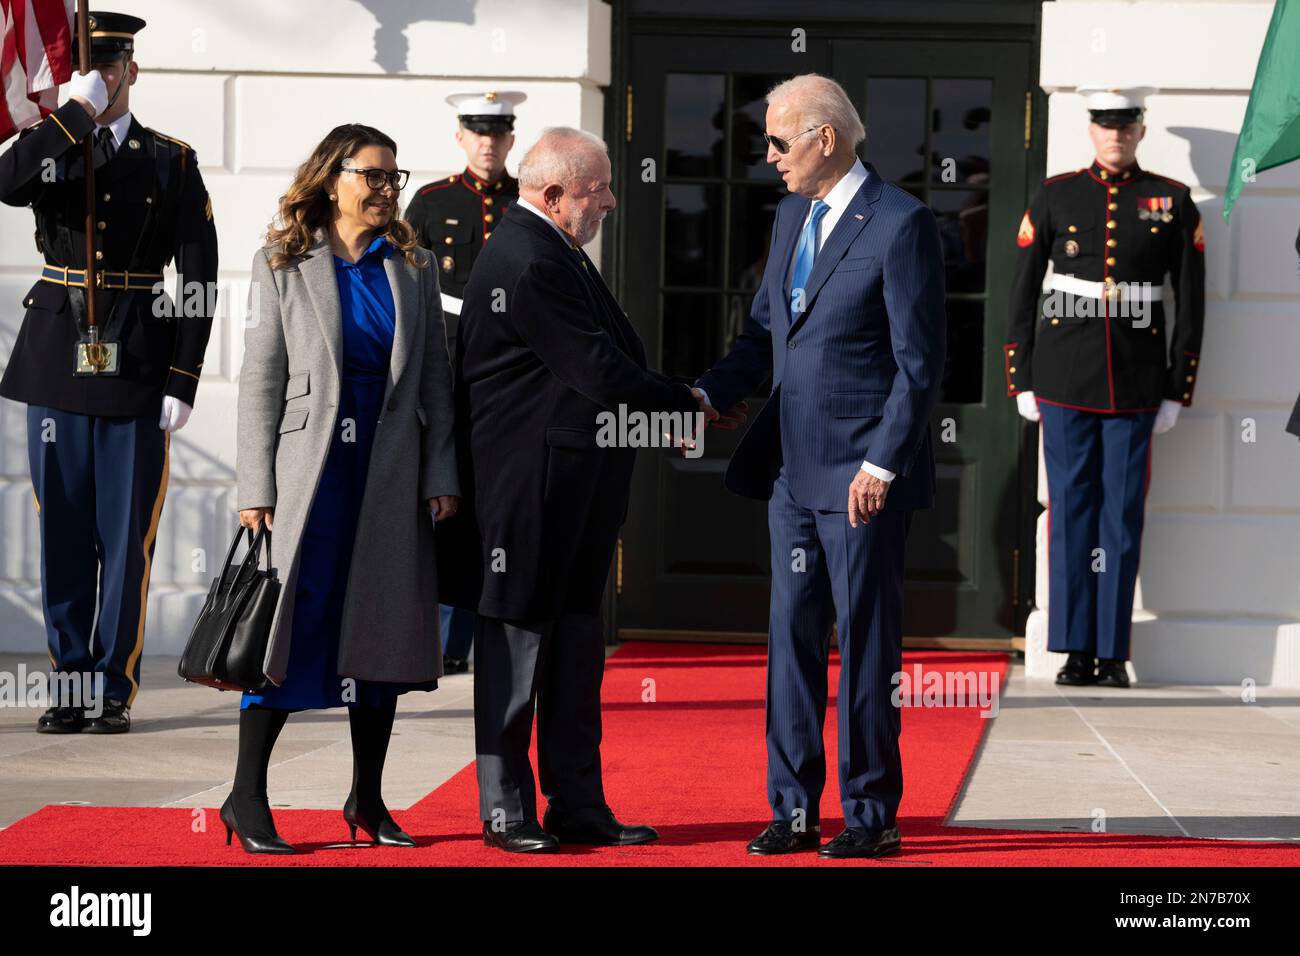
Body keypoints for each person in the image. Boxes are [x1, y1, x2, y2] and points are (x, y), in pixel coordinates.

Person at [693, 74, 947, 858]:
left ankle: (871, 817)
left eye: (778, 140)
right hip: (789, 476)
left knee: (867, 646)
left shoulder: (901, 224)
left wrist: (882, 464)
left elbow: (920, 364)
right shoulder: (790, 216)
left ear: (824, 138)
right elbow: (762, 334)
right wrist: (704, 394)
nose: (768, 156)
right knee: (790, 645)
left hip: (862, 480)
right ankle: (792, 810)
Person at [441, 127, 704, 853]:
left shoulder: (554, 250)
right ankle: (505, 811)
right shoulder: (527, 259)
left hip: (575, 488)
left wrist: (667, 404)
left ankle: (577, 805)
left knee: (574, 651)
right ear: (553, 195)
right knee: (516, 651)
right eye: (598, 191)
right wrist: (681, 404)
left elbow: (609, 363)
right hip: (527, 492)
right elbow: (595, 368)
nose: (611, 202)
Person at [229, 124, 459, 854]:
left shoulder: (412, 265)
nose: (388, 189)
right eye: (373, 176)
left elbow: (434, 382)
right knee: (292, 621)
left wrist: (441, 473)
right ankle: (246, 795)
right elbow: (260, 377)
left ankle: (367, 797)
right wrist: (254, 484)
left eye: (394, 177)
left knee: (381, 627)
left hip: (389, 468)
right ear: (333, 179)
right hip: (308, 473)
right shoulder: (284, 261)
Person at [0, 11, 218, 735]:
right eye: (90, 68)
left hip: (137, 360)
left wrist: (184, 377)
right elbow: (5, 180)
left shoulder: (169, 160)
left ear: (133, 69)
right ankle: (68, 681)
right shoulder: (57, 143)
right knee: (61, 529)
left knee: (125, 539)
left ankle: (111, 685)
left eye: (112, 67)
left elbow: (199, 276)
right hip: (58, 359)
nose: (103, 77)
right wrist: (72, 117)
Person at [1005, 86, 1206, 688]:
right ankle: (1072, 648)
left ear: (1141, 130)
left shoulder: (1170, 202)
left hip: (1138, 385)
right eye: (1104, 125)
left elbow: (1192, 302)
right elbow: (1022, 292)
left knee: (1120, 516)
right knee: (1070, 513)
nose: (1115, 135)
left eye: (1126, 125)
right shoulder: (1056, 194)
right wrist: (1021, 375)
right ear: (1091, 130)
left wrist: (1178, 387)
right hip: (1064, 380)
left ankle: (1113, 650)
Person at [405, 89, 525, 674]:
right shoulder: (430, 201)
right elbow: (405, 281)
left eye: (498, 133)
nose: (488, 143)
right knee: (435, 487)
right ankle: (430, 631)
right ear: (460, 137)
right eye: (478, 133)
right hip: (442, 360)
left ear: (510, 138)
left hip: (505, 367)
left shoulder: (528, 201)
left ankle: (471, 634)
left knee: (485, 494)